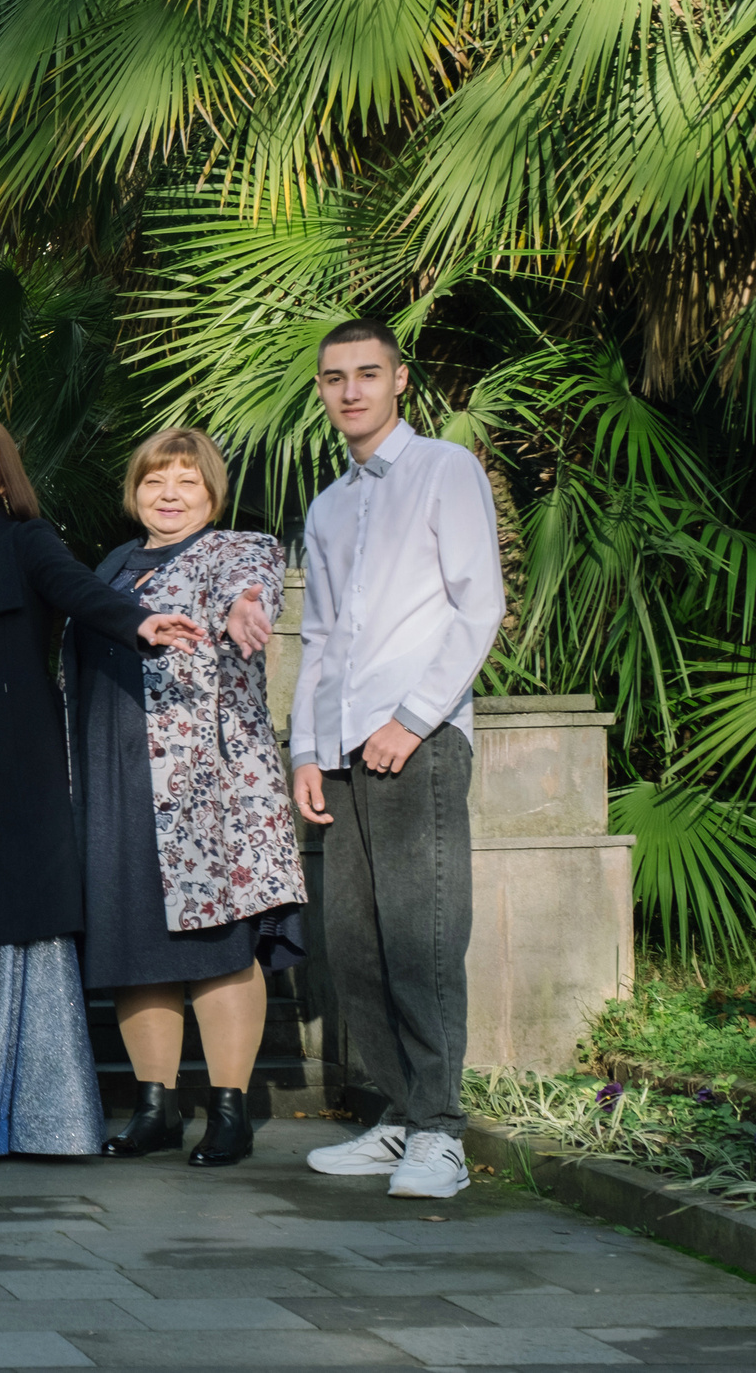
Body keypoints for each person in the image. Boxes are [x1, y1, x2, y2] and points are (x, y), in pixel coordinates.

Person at [0, 414, 203, 1171]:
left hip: (10, 772)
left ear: (5, 482)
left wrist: (141, 621)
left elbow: (80, 591)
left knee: (1, 940)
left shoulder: (27, 542)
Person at [293, 319, 505, 1201]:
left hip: (415, 743)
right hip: (342, 747)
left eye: (367, 374)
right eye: (336, 377)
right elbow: (320, 635)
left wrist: (412, 720)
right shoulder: (328, 504)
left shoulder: (443, 469)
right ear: (323, 389)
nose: (351, 390)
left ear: (399, 380)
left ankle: (441, 1134)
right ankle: (397, 1117)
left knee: (420, 938)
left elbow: (478, 605)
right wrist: (306, 746)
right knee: (354, 943)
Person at [78, 428, 304, 1167]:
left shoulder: (237, 548)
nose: (168, 494)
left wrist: (245, 608)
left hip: (201, 792)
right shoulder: (112, 563)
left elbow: (250, 584)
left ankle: (229, 1111)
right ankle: (155, 1107)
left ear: (212, 493)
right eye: (154, 480)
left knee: (215, 947)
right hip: (115, 781)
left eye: (186, 481)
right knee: (135, 943)